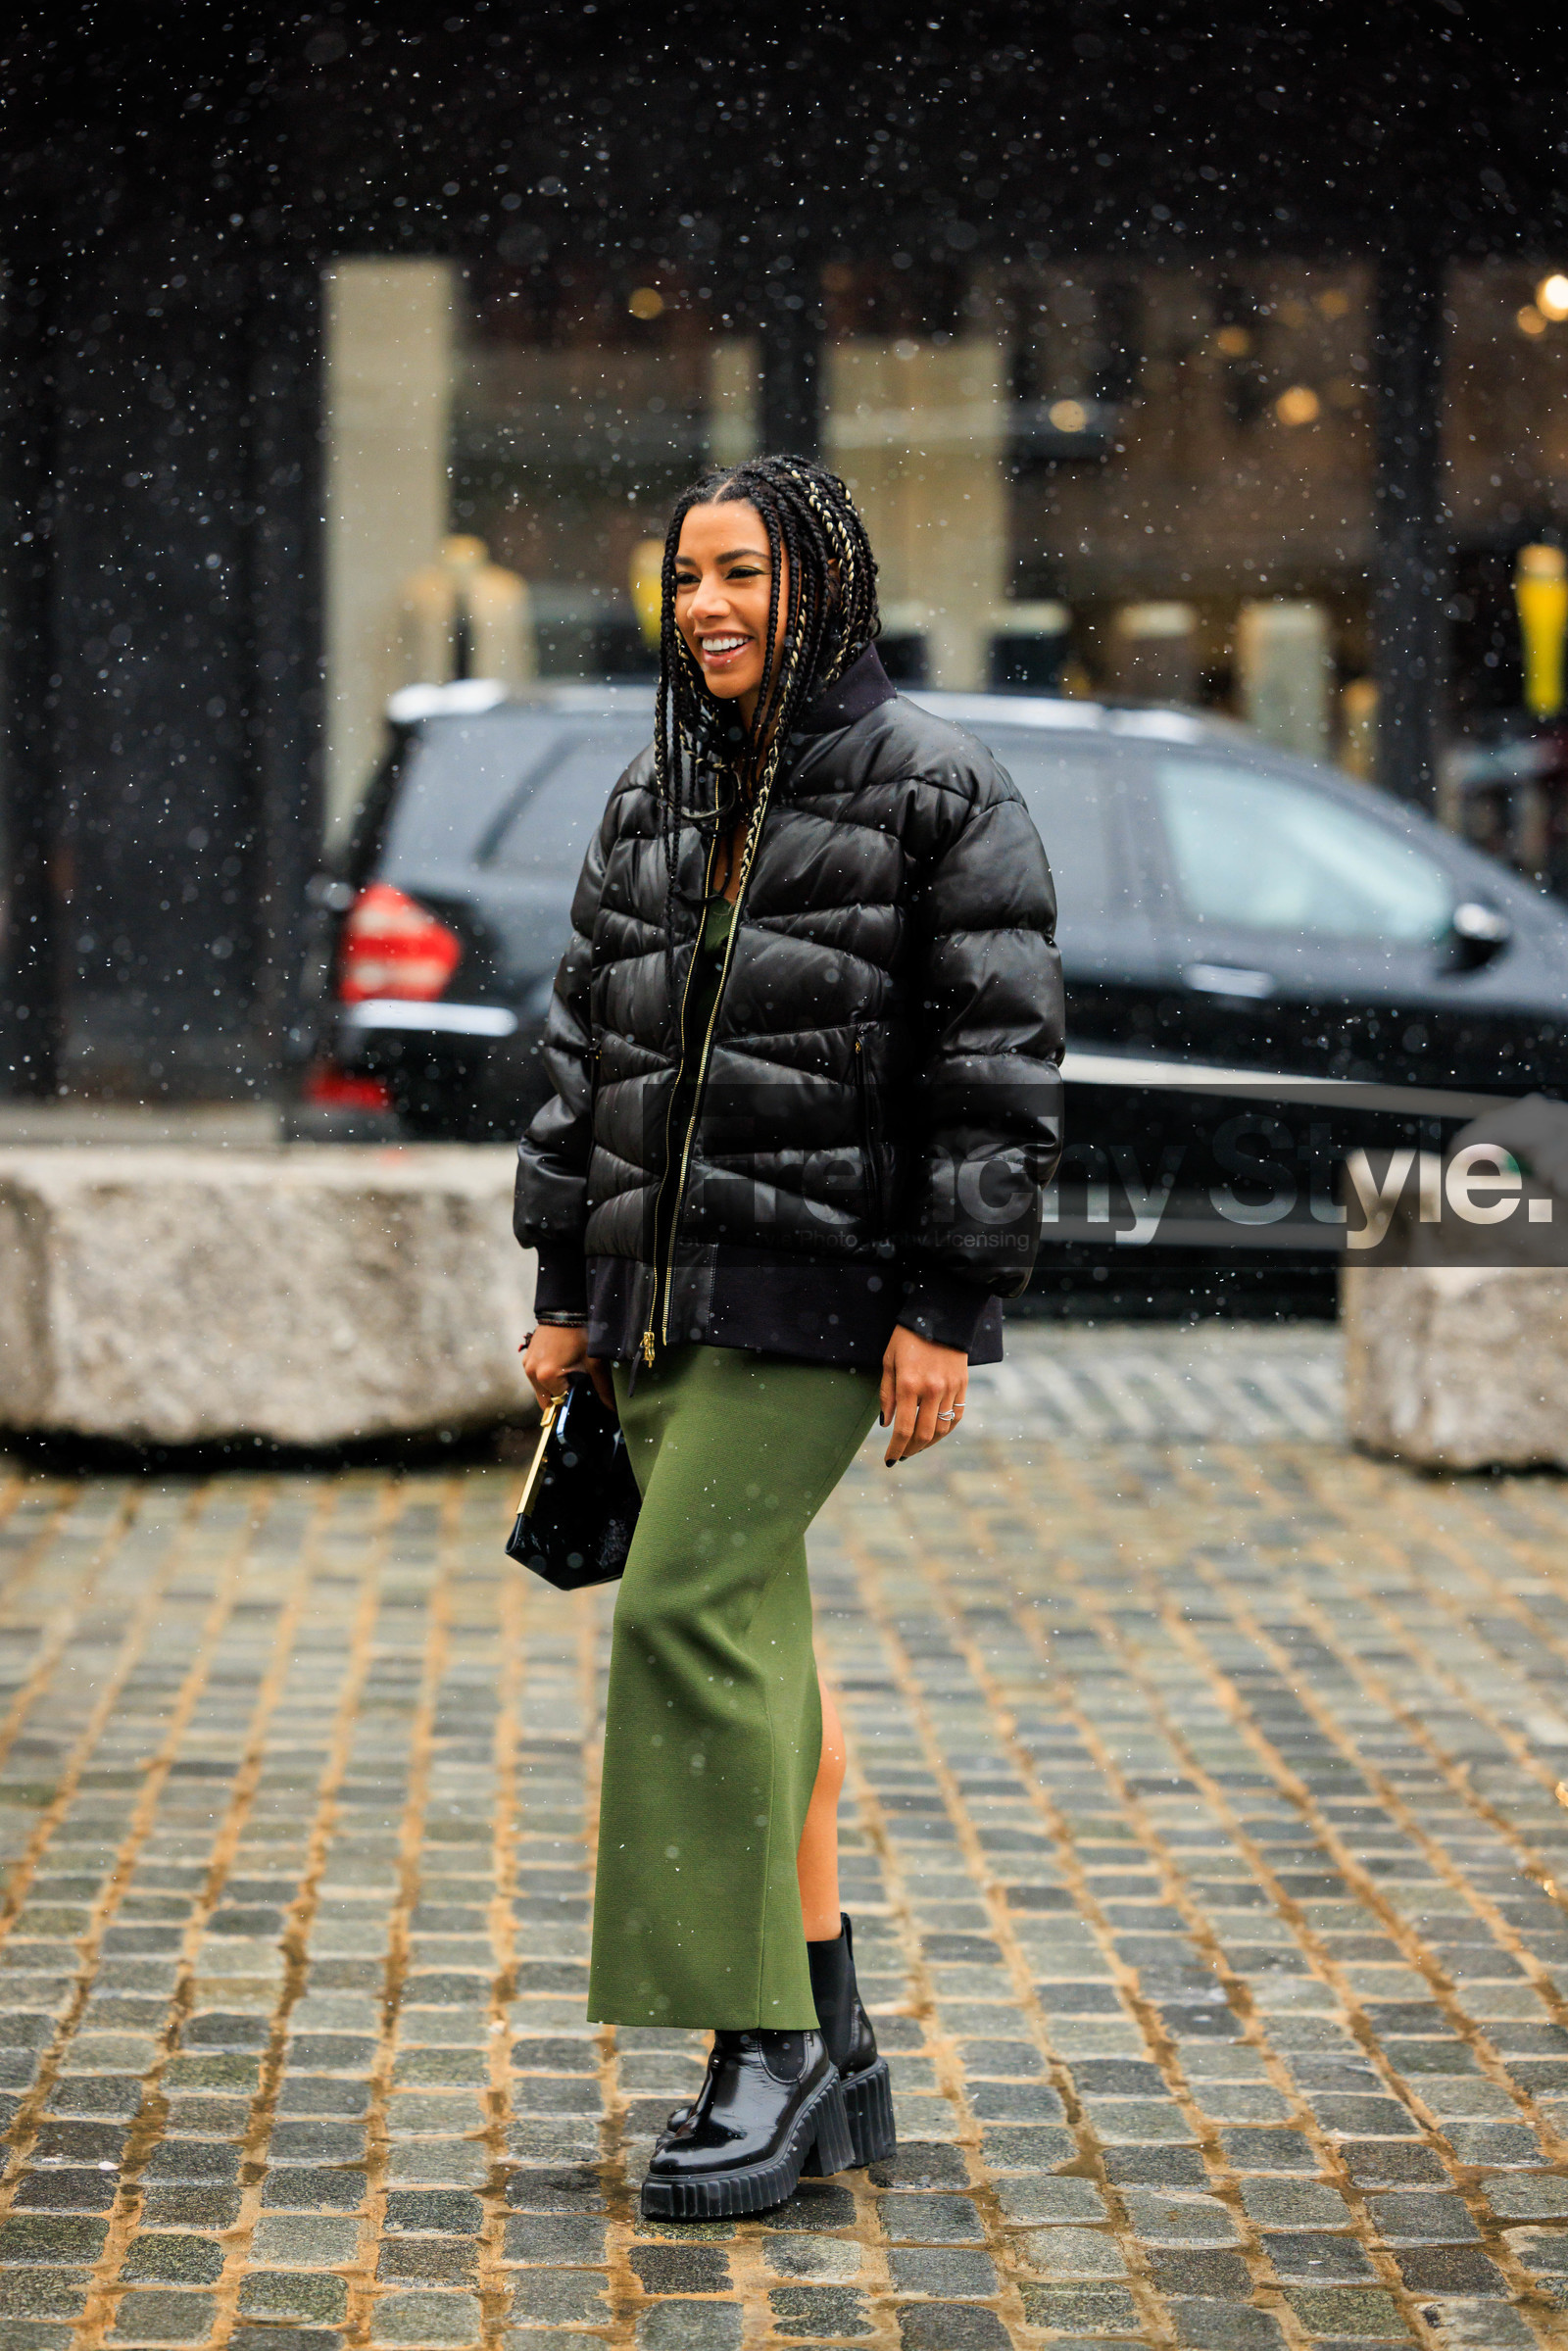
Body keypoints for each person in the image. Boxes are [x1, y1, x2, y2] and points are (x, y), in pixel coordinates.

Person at [514, 455, 1062, 2220]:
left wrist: (946, 1311)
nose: (708, 609)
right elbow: (587, 1052)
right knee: (762, 1661)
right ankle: (835, 2046)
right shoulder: (654, 790)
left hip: (820, 1299)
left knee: (682, 1624)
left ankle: (750, 2045)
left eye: (740, 573)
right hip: (658, 1303)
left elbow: (994, 1075)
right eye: (685, 579)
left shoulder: (938, 790)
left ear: (820, 578)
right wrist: (559, 1288)